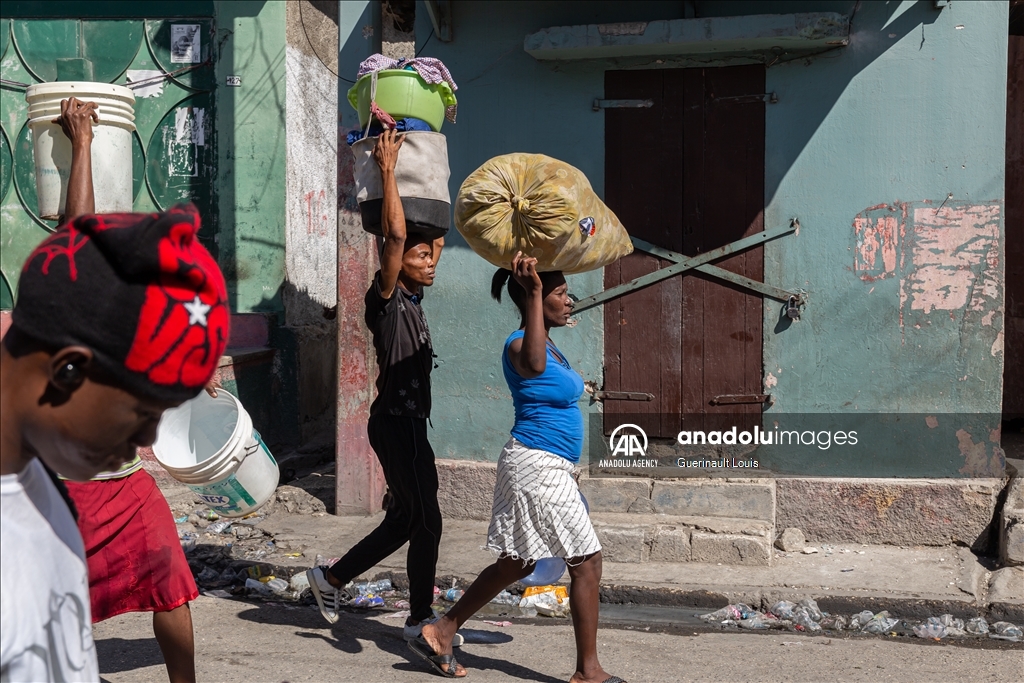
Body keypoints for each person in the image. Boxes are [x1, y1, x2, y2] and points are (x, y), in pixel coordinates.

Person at [0, 96, 227, 683]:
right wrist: (81, 144)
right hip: (76, 490)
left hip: (119, 493)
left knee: (170, 585)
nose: (149, 437)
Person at [409, 254, 624, 683]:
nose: (569, 301)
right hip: (536, 466)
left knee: (517, 564)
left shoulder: (551, 345)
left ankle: (441, 629)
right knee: (588, 562)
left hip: (542, 465)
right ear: (534, 298)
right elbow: (534, 366)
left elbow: (548, 370)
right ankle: (588, 672)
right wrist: (535, 293)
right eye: (559, 293)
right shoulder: (519, 344)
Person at [306, 129, 457, 645]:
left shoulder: (415, 301)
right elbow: (395, 239)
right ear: (395, 267)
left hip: (405, 426)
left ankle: (330, 579)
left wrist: (433, 198)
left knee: (404, 522)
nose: (429, 260)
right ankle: (419, 619)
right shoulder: (386, 301)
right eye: (421, 258)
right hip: (397, 425)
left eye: (431, 256)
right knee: (428, 523)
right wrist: (389, 168)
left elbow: (425, 237)